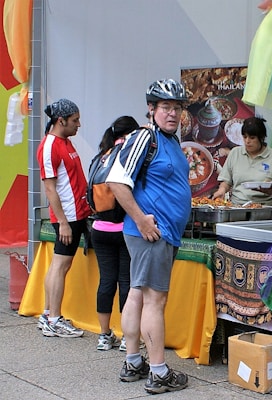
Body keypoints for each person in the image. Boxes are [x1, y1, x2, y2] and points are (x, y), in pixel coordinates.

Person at [105, 79, 190, 394]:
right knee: (156, 300)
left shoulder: (170, 141)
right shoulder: (145, 137)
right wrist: (141, 220)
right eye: (166, 107)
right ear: (152, 109)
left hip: (158, 233)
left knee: (138, 296)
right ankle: (158, 372)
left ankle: (133, 362)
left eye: (177, 108)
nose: (172, 114)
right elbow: (116, 181)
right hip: (153, 233)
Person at [36, 98, 91, 338]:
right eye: (75, 120)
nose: (79, 125)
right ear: (61, 121)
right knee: (60, 265)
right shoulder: (50, 146)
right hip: (67, 215)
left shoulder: (65, 142)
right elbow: (50, 188)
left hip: (75, 213)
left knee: (60, 265)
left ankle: (49, 314)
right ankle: (54, 318)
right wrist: (63, 223)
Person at [90, 116, 139, 351]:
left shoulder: (100, 157)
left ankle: (104, 334)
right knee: (126, 282)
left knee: (106, 281)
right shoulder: (128, 156)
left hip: (99, 229)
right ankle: (126, 337)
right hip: (125, 229)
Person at [212, 116, 272, 205]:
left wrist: (271, 190)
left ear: (261, 138)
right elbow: (226, 181)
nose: (247, 141)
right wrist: (221, 190)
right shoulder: (235, 153)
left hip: (265, 207)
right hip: (238, 206)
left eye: (252, 138)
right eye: (245, 137)